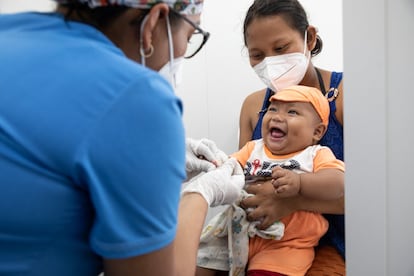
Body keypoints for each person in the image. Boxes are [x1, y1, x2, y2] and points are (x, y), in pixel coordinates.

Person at [0, 1, 244, 275]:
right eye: (189, 36)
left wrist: (147, 159)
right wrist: (200, 193)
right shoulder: (139, 97)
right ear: (154, 21)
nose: (185, 49)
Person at [237, 0, 345, 274]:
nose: (270, 63)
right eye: (257, 55)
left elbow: (378, 195)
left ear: (309, 37)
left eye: (281, 48)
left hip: (337, 243)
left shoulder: (344, 95)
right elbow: (242, 183)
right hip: (263, 240)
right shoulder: (253, 106)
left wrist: (294, 199)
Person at [196, 85, 344, 276]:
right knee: (198, 264)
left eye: (292, 112)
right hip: (237, 230)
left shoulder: (315, 154)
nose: (276, 116)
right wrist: (212, 163)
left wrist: (300, 183)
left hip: (286, 243)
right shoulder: (253, 148)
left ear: (317, 132)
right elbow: (230, 167)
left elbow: (338, 183)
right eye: (272, 109)